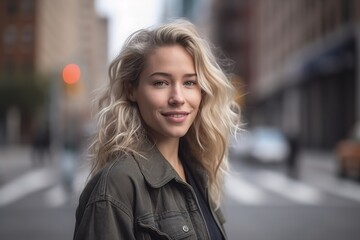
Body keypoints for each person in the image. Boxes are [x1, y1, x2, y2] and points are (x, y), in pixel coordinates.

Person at [73, 19, 240, 240]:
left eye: (189, 83)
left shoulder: (196, 171)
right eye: (161, 83)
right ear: (131, 89)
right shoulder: (118, 184)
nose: (178, 98)